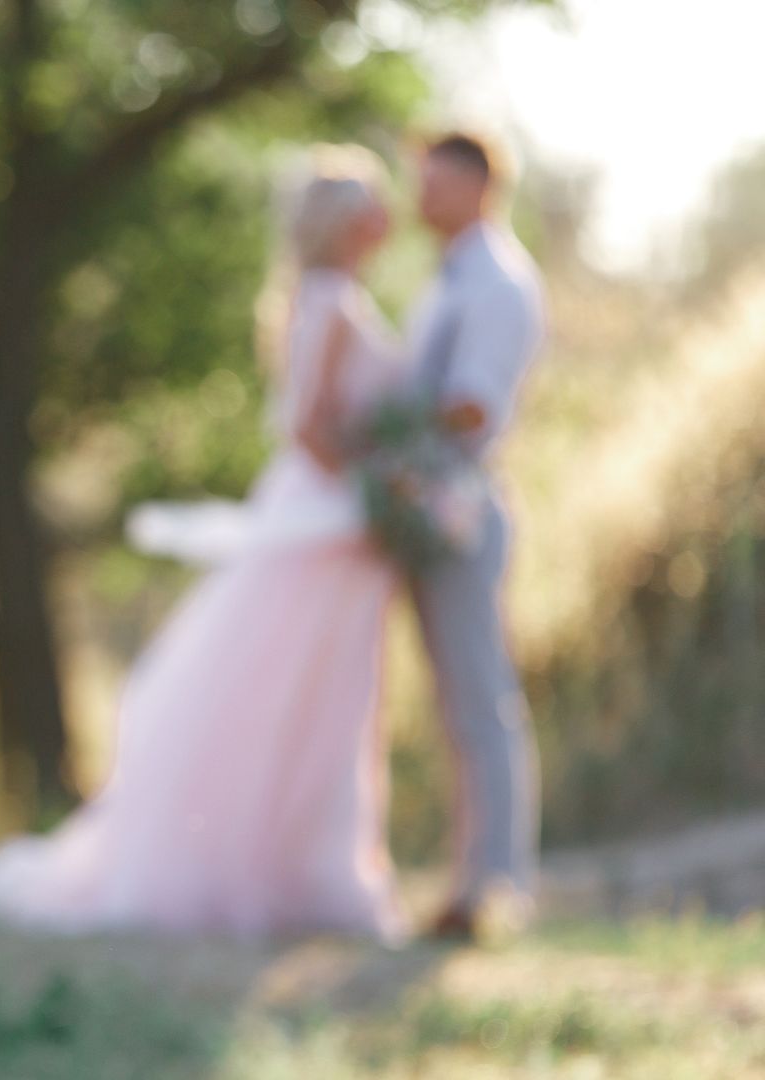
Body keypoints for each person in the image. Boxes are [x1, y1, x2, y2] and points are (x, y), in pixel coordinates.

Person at [0, 146, 410, 942]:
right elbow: (308, 425)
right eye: (371, 207)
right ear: (345, 223)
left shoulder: (317, 298)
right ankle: (277, 872)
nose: (384, 221)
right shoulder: (335, 301)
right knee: (295, 695)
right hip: (327, 522)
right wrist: (380, 483)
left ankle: (295, 866)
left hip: (324, 520)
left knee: (310, 699)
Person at [406, 132, 545, 941]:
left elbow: (471, 405)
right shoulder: (450, 274)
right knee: (459, 700)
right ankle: (471, 879)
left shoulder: (497, 281)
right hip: (428, 499)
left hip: (458, 505)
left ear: (479, 186)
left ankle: (494, 885)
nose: (420, 196)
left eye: (435, 181)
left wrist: (375, 424)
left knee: (478, 698)